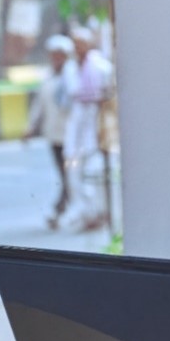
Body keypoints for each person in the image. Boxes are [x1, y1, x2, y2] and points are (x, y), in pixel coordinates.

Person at [63, 25, 113, 231]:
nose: (78, 48)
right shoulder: (70, 67)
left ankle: (96, 212)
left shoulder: (101, 66)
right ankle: (83, 212)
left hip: (95, 121)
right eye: (75, 44)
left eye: (81, 44)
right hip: (77, 123)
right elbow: (71, 93)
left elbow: (108, 92)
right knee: (73, 168)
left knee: (94, 171)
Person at [26, 34, 74, 228]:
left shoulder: (73, 76)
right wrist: (30, 127)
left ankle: (60, 210)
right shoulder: (47, 77)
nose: (56, 59)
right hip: (54, 135)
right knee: (64, 175)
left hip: (72, 135)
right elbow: (39, 105)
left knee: (70, 175)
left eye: (59, 55)